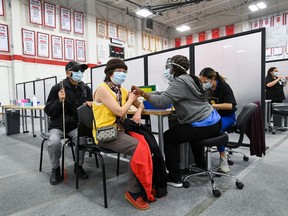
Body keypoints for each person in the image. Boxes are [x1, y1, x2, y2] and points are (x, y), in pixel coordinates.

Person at [132, 55, 222, 188]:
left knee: (169, 137)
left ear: (174, 68)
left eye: (170, 67)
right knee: (185, 131)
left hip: (204, 124)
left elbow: (162, 101)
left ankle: (175, 177)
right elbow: (166, 94)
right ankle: (201, 165)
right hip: (214, 121)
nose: (168, 70)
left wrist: (143, 94)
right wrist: (148, 93)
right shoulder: (191, 78)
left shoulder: (179, 82)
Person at [92, 58, 152, 210]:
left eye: (125, 72)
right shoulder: (102, 89)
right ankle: (132, 192)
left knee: (148, 144)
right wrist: (131, 98)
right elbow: (119, 111)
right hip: (106, 134)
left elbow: (141, 104)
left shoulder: (122, 90)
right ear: (110, 73)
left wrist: (138, 112)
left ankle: (145, 184)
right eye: (119, 71)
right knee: (138, 148)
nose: (122, 75)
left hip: (120, 131)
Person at [44, 61, 93, 185]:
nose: (79, 73)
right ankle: (55, 169)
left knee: (82, 139)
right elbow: (48, 110)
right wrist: (59, 101)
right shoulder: (57, 88)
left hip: (76, 125)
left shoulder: (85, 89)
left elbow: (92, 106)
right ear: (67, 73)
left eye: (81, 71)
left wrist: (90, 105)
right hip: (58, 126)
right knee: (54, 142)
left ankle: (78, 165)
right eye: (76, 71)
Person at [199, 67, 237, 173]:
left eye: (205, 82)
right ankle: (199, 160)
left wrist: (212, 106)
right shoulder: (207, 89)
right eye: (201, 82)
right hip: (213, 116)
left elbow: (229, 106)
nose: (203, 84)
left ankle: (223, 158)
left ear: (213, 79)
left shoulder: (224, 87)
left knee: (216, 129)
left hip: (228, 117)